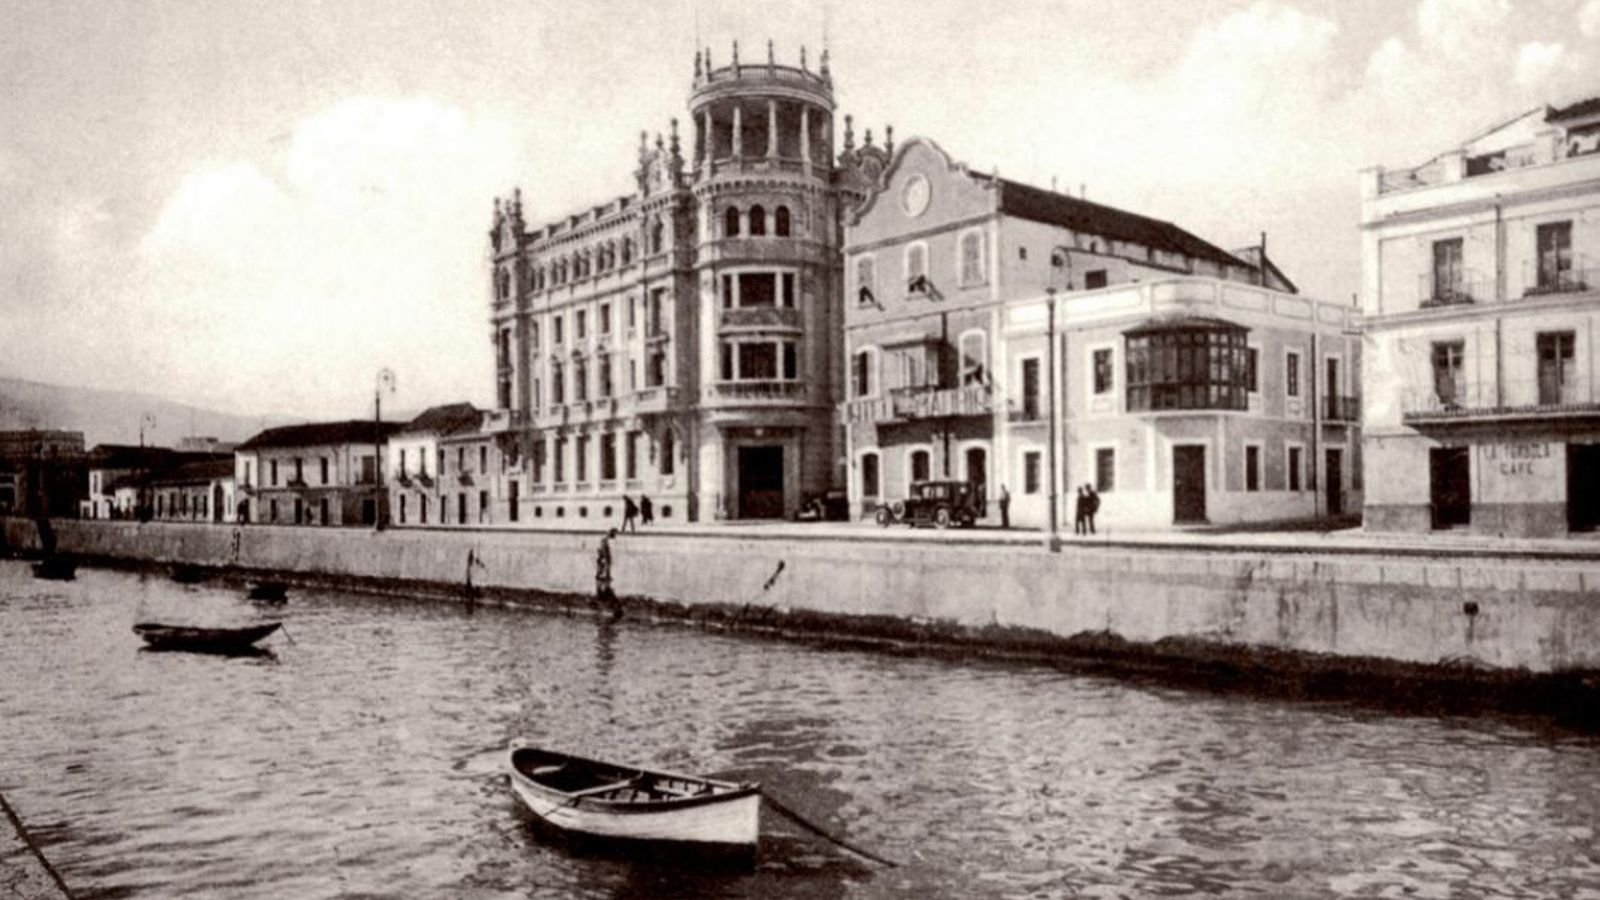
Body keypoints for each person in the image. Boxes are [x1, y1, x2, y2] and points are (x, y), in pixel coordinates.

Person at [595, 529, 616, 602]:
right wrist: (604, 557)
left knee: (602, 573)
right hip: (604, 559)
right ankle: (603, 590)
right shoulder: (604, 541)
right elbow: (603, 551)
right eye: (613, 535)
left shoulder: (604, 540)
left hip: (603, 559)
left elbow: (602, 550)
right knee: (604, 573)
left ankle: (602, 590)